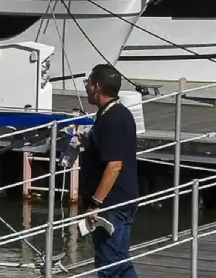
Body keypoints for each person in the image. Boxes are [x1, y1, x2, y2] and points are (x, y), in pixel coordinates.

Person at [79, 63, 140, 278]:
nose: (86, 87)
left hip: (112, 203)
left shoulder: (111, 120)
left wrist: (96, 203)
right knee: (120, 261)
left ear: (97, 87)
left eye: (88, 83)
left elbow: (114, 165)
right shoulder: (118, 113)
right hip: (124, 198)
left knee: (108, 265)